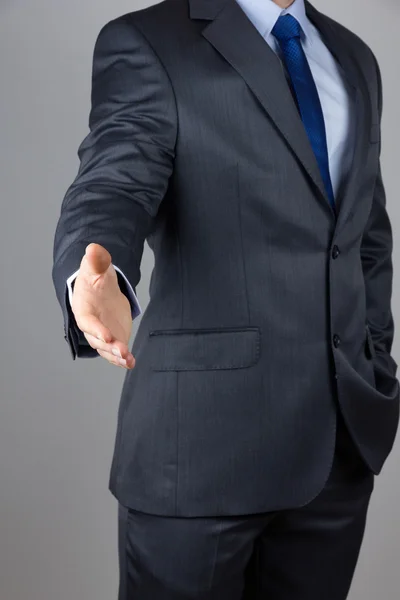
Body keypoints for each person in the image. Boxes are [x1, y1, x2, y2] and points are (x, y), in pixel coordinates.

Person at [51, 0, 400, 597]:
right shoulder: (149, 40)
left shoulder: (353, 57)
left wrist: (376, 360)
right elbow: (115, 180)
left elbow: (364, 233)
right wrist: (92, 274)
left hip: (337, 447)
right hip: (201, 454)